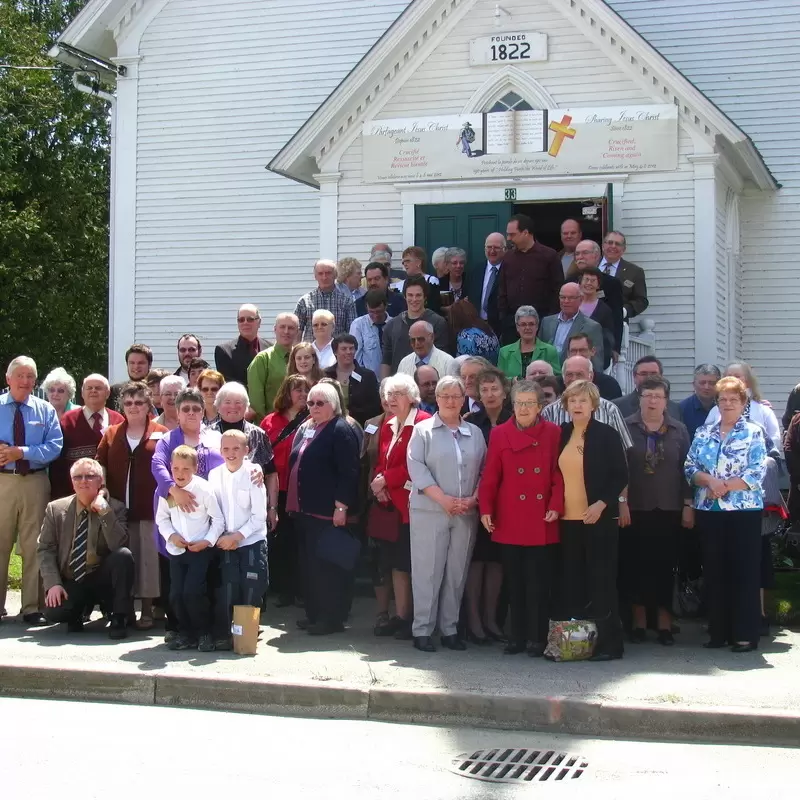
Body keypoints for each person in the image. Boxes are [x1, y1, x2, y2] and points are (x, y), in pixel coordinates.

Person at [479, 379, 564, 656]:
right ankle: (516, 636)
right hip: (510, 516)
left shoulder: (553, 432)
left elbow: (557, 473)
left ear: (540, 406)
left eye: (529, 403)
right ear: (511, 405)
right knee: (514, 582)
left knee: (538, 582)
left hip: (541, 518)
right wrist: (486, 509)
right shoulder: (500, 434)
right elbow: (491, 475)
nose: (523, 408)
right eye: (519, 403)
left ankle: (537, 637)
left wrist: (555, 503)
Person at [684, 376, 767, 652]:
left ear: (744, 403)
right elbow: (689, 467)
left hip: (744, 511)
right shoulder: (703, 433)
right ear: (716, 403)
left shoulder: (754, 432)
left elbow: (756, 472)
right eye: (723, 399)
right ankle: (718, 632)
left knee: (743, 571)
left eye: (734, 399)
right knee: (715, 571)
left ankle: (745, 634)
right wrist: (709, 481)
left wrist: (724, 486)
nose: (728, 404)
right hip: (709, 511)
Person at [407, 376, 487, 652]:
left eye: (456, 396)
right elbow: (417, 468)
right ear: (437, 399)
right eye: (445, 396)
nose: (451, 401)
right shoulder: (422, 430)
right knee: (427, 571)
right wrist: (444, 500)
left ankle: (450, 628)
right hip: (430, 510)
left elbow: (485, 470)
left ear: (464, 398)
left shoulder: (474, 433)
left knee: (457, 571)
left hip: (465, 512)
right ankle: (422, 629)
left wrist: (474, 499)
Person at [557, 380, 628, 661]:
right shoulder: (561, 433)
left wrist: (602, 504)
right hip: (567, 521)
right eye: (572, 401)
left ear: (594, 405)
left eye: (583, 401)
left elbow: (620, 475)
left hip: (598, 519)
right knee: (573, 581)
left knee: (601, 583)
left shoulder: (607, 434)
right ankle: (577, 643)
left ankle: (611, 644)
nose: (577, 406)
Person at [621, 377, 692, 646]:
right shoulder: (626, 427)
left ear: (666, 401)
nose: (652, 401)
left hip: (669, 508)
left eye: (658, 396)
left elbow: (688, 469)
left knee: (665, 567)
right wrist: (621, 501)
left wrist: (688, 505)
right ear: (639, 397)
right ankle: (639, 623)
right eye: (647, 395)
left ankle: (664, 624)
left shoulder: (679, 430)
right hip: (635, 508)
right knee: (635, 567)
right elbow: (619, 469)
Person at [288, 382, 361, 635]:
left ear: (334, 405)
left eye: (320, 403)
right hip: (306, 510)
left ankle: (331, 619)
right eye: (310, 403)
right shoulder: (309, 428)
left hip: (327, 512)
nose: (314, 407)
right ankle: (314, 614)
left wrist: (341, 506)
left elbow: (349, 472)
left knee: (328, 568)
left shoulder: (340, 429)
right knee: (310, 567)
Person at [96, 381, 168, 630]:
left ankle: (147, 609)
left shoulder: (161, 432)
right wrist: (102, 486)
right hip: (117, 509)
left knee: (147, 560)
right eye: (128, 403)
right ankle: (122, 609)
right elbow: (99, 463)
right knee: (122, 558)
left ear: (148, 404)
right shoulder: (112, 433)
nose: (133, 406)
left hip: (149, 507)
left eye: (139, 402)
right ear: (122, 406)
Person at [39, 457, 133, 638]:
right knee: (55, 612)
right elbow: (45, 549)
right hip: (72, 579)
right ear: (72, 482)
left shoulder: (116, 507)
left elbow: (118, 544)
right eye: (78, 477)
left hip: (101, 578)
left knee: (123, 555)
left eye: (90, 476)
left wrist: (104, 511)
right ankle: (76, 614)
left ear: (100, 481)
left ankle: (119, 617)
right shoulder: (56, 509)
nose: (83, 481)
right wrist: (53, 584)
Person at [0, 357, 63, 625]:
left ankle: (31, 607)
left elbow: (55, 447)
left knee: (33, 545)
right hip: (3, 482)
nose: (26, 381)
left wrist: (21, 452)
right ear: (8, 378)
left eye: (30, 376)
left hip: (35, 482)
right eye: (21, 375)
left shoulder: (45, 410)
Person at [368, 374, 430, 639]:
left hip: (415, 506)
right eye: (388, 394)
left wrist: (387, 479)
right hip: (390, 505)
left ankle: (416, 619)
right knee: (396, 564)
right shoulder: (388, 424)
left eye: (397, 394)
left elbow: (418, 464)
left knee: (413, 564)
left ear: (412, 397)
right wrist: (379, 484)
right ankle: (402, 616)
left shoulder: (424, 424)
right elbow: (382, 460)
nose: (391, 400)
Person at [156, 445, 225, 651]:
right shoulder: (166, 491)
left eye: (186, 469)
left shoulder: (204, 490)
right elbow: (162, 519)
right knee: (176, 594)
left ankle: (204, 633)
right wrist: (172, 536)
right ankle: (185, 633)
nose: (180, 474)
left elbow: (218, 520)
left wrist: (207, 541)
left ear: (195, 468)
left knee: (193, 593)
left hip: (200, 550)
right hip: (177, 551)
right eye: (176, 468)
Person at [463, 367, 513, 644]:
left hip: (507, 502)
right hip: (475, 500)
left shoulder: (515, 420)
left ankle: (492, 618)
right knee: (476, 560)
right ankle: (473, 620)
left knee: (496, 561)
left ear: (504, 392)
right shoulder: (471, 422)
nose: (490, 394)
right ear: (478, 394)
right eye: (485, 389)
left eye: (495, 388)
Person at [208, 429, 269, 650]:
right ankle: (224, 634)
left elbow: (259, 516)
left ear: (247, 450)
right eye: (226, 448)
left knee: (251, 587)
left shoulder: (253, 472)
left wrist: (238, 536)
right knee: (227, 587)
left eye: (236, 448)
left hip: (251, 541)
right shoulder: (215, 475)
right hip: (225, 542)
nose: (231, 453)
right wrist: (223, 537)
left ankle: (246, 635)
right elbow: (214, 511)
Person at [260, 374, 310, 606]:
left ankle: (301, 588)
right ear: (286, 393)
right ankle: (282, 589)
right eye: (297, 389)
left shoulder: (313, 419)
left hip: (301, 488)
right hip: (275, 489)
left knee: (300, 540)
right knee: (279, 540)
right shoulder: (270, 421)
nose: (302, 394)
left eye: (305, 389)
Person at [207, 383, 279, 518]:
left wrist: (272, 508)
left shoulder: (258, 435)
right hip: (216, 511)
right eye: (227, 402)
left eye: (238, 402)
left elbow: (271, 474)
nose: (233, 407)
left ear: (246, 406)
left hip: (252, 511)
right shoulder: (207, 434)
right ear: (218, 406)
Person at [48, 374, 124, 500]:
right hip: (74, 495)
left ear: (107, 393)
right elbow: (57, 464)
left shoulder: (119, 420)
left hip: (112, 494)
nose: (93, 391)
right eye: (89, 388)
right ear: (82, 393)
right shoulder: (67, 421)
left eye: (98, 388)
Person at [541, 356, 633, 451]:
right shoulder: (549, 411)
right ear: (563, 378)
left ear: (591, 376)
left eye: (579, 374)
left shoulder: (610, 409)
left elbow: (626, 448)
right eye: (569, 374)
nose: (574, 379)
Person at [497, 214, 563, 344]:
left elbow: (557, 289)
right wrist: (503, 316)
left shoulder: (549, 256)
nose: (508, 238)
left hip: (540, 322)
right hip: (512, 323)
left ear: (526, 233)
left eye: (512, 234)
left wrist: (549, 318)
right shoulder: (508, 258)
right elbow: (502, 288)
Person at [703, 362, 781, 451]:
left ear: (747, 381)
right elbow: (706, 436)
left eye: (737, 376)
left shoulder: (764, 410)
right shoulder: (715, 410)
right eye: (729, 376)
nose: (732, 380)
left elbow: (775, 437)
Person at [381, 275, 449, 376]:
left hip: (429, 384)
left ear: (425, 297)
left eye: (418, 295)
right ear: (404, 296)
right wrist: (384, 386)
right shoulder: (391, 325)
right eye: (410, 295)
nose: (414, 299)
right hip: (400, 383)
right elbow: (386, 361)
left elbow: (443, 359)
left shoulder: (438, 323)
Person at [566, 240, 624, 358]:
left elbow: (617, 317)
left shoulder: (611, 283)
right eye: (577, 254)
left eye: (585, 253)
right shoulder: (568, 282)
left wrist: (615, 348)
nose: (580, 257)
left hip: (599, 345)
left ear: (596, 256)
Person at [540, 283, 605, 373]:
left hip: (575, 375)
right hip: (548, 377)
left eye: (571, 298)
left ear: (581, 300)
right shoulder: (546, 322)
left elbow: (597, 361)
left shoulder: (592, 327)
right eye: (563, 297)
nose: (566, 301)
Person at [247, 312, 301, 422]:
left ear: (297, 331)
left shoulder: (302, 358)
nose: (286, 331)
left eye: (291, 328)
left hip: (300, 425)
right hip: (272, 427)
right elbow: (257, 403)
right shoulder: (262, 360)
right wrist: (267, 427)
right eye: (282, 327)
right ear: (275, 329)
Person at [323, 334, 381, 427]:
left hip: (360, 427)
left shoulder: (368, 376)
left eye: (351, 348)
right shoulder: (326, 375)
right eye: (344, 349)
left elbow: (375, 407)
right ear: (335, 352)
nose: (348, 352)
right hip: (329, 426)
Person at [295, 258, 357, 341]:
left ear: (335, 275)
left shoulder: (347, 302)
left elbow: (352, 333)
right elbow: (296, 333)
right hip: (311, 353)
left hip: (336, 353)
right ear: (315, 276)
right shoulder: (304, 302)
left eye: (328, 273)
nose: (324, 277)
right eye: (320, 274)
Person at [497, 305, 561, 381]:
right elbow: (500, 380)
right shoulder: (504, 352)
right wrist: (514, 380)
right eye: (523, 324)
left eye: (531, 324)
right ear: (517, 327)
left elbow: (557, 378)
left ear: (537, 326)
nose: (527, 328)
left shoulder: (550, 350)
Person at [214, 304, 271, 386]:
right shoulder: (225, 351)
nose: (245, 323)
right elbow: (230, 385)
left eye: (250, 319)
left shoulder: (270, 348)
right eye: (241, 320)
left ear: (259, 322)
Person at [599, 231, 649, 319]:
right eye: (610, 242)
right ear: (603, 246)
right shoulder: (591, 266)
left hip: (618, 322)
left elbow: (641, 301)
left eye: (617, 244)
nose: (613, 246)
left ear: (624, 249)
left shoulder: (635, 272)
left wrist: (624, 311)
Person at [613, 356, 682, 419]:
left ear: (661, 376)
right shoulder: (617, 407)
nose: (649, 378)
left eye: (653, 374)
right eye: (643, 374)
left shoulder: (675, 408)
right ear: (634, 377)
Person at [578, 269, 618, 369]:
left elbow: (608, 336)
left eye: (593, 280)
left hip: (594, 357)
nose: (588, 283)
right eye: (586, 279)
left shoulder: (605, 310)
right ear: (580, 283)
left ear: (598, 285)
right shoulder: (573, 305)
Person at [566, 334, 622, 401]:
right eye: (573, 351)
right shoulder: (559, 385)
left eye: (582, 350)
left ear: (593, 351)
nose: (578, 354)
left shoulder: (609, 385)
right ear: (568, 354)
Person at [351, 290, 392, 376]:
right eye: (371, 312)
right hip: (368, 379)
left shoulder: (394, 324)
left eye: (379, 312)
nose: (375, 316)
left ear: (386, 306)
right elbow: (356, 356)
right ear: (366, 308)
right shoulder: (358, 324)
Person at [679, 364, 722, 440]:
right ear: (694, 385)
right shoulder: (682, 409)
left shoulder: (725, 407)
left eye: (711, 383)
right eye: (702, 383)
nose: (706, 387)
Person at [450, 299, 500, 364]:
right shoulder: (487, 328)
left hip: (478, 372)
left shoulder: (465, 336)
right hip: (493, 370)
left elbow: (463, 363)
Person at [393, 246, 441, 312]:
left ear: (418, 262)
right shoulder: (398, 286)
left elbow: (434, 307)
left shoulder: (431, 281)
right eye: (403, 262)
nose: (405, 264)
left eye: (407, 261)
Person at [109, 344, 153, 410]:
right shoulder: (114, 391)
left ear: (149, 365)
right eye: (132, 363)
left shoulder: (158, 391)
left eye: (141, 363)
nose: (136, 367)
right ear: (127, 364)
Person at [479, 233, 505, 336]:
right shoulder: (476, 271)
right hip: (477, 326)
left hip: (501, 328)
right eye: (489, 247)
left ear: (504, 249)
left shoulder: (510, 270)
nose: (492, 251)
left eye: (497, 248)